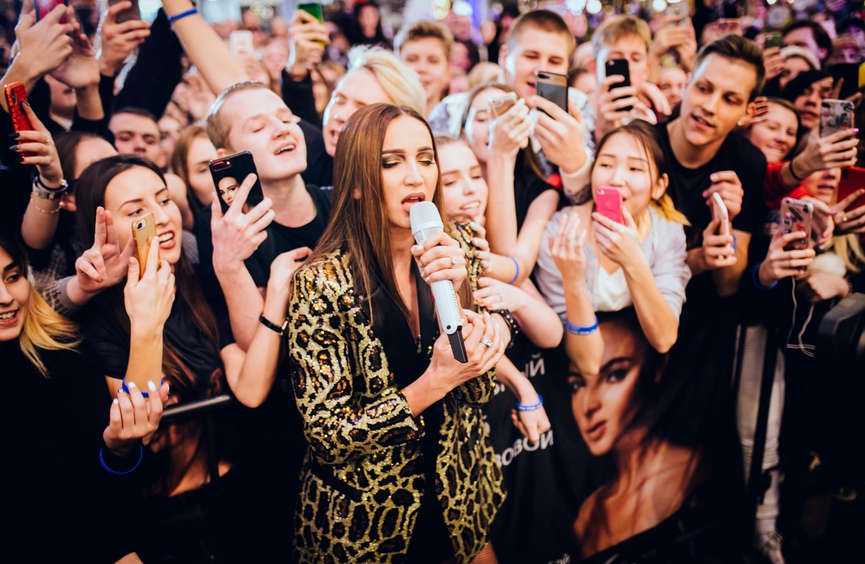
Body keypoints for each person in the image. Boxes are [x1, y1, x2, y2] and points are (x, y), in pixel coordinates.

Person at [287, 103, 508, 561]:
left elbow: (480, 389)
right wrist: (433, 384)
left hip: (460, 497)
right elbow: (327, 436)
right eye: (392, 162)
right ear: (356, 183)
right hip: (366, 522)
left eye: (426, 159)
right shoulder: (321, 283)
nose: (415, 176)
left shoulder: (458, 244)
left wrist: (468, 302)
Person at [0, 231, 168, 562]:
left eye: (12, 276)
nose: (5, 297)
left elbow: (99, 482)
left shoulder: (62, 351)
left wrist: (118, 449)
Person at [538, 120, 690, 373]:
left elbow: (664, 338)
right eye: (606, 165)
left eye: (635, 168)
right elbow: (587, 362)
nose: (616, 179)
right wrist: (573, 282)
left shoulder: (666, 232)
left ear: (659, 186)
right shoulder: (560, 234)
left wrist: (632, 260)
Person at [567, 309, 709, 560]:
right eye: (578, 384)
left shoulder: (696, 471)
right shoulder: (588, 516)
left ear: (657, 367)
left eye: (615, 375)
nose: (589, 405)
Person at [588, 15, 673, 143]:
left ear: (646, 70)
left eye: (636, 59)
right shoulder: (574, 111)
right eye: (616, 60)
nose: (628, 67)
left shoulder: (646, 118)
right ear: (594, 67)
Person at [395, 20, 454, 117]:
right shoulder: (380, 122)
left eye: (433, 61)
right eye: (412, 59)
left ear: (448, 72)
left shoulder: (463, 124)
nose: (422, 68)